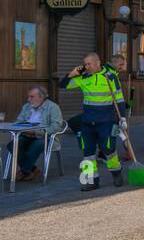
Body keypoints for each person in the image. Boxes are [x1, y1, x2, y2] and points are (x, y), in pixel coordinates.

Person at [60, 52, 128, 190]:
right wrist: (72, 74)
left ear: (98, 63)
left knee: (108, 149)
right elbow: (63, 85)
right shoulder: (83, 77)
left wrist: (122, 118)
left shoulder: (110, 76)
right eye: (84, 64)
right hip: (87, 122)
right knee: (88, 153)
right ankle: (91, 181)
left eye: (89, 64)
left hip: (107, 121)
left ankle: (116, 172)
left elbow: (119, 99)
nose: (86, 67)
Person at [9, 86, 63, 182]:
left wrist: (36, 132)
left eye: (31, 97)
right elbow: (18, 121)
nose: (29, 99)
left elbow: (56, 126)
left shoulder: (53, 107)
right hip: (26, 135)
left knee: (37, 145)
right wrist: (23, 127)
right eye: (29, 97)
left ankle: (24, 171)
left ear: (41, 97)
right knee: (12, 145)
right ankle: (32, 169)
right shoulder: (27, 106)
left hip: (46, 137)